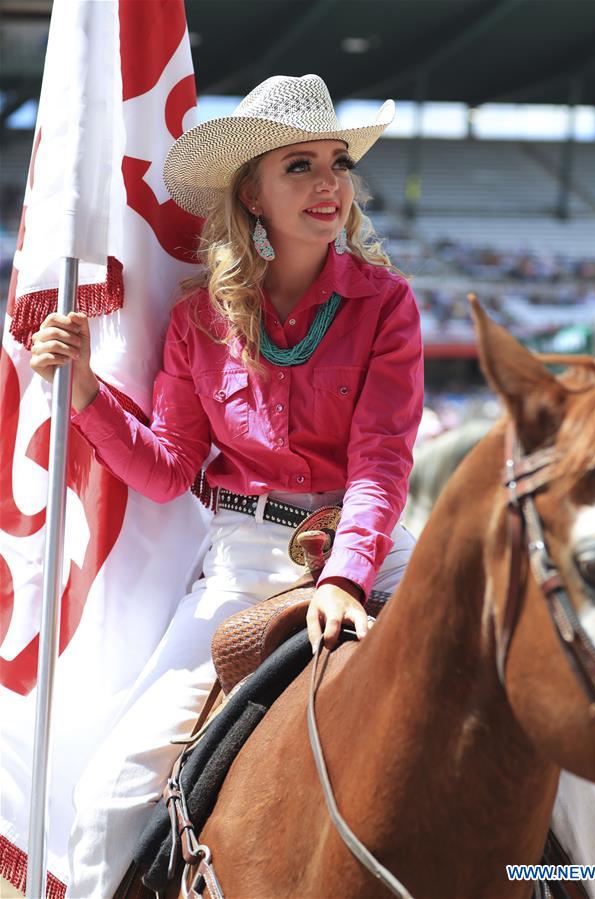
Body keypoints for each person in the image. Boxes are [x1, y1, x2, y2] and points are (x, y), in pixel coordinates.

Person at [30, 74, 424, 897]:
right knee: (103, 802)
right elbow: (170, 470)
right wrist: (87, 396)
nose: (329, 183)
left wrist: (346, 577)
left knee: (536, 704)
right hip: (240, 573)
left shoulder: (388, 304)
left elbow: (383, 462)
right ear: (251, 193)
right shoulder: (197, 320)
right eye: (300, 166)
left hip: (373, 555)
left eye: (338, 163)